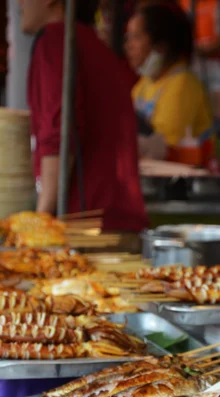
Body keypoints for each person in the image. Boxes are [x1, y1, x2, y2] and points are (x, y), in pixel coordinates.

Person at [20, 0, 148, 236]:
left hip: (86, 228)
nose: (19, 3)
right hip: (112, 222)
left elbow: (57, 137)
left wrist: (40, 221)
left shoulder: (56, 40)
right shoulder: (90, 43)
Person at [125, 1, 214, 163]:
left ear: (161, 46)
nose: (128, 45)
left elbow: (163, 146)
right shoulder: (145, 83)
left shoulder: (183, 83)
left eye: (136, 37)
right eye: (128, 37)